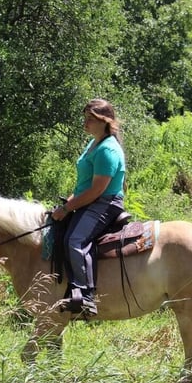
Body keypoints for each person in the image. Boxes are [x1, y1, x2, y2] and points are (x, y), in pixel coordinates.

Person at [51, 98, 127, 317]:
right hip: (91, 199)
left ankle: (85, 296)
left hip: (104, 202)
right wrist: (68, 202)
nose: (85, 123)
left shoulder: (107, 150)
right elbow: (84, 185)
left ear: (104, 121)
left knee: (75, 239)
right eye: (85, 118)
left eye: (90, 119)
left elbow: (97, 190)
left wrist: (67, 209)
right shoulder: (93, 144)